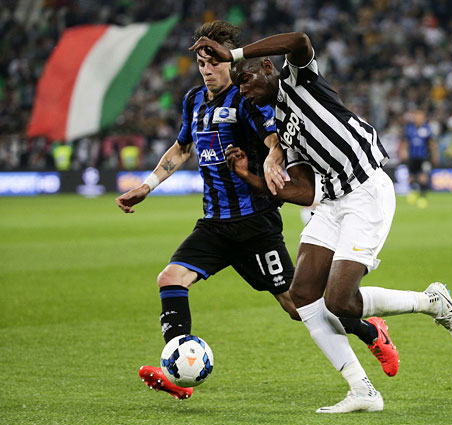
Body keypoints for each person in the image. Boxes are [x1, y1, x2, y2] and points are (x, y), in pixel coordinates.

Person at [116, 21, 398, 401]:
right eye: (201, 63)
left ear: (229, 62)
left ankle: (370, 330)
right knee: (170, 279)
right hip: (215, 224)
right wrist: (147, 186)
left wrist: (271, 158)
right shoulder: (194, 101)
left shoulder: (248, 99)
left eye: (214, 62)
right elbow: (182, 148)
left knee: (298, 306)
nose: (207, 70)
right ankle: (177, 369)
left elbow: (277, 137)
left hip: (255, 224)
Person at [191, 31, 452, 413]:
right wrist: (250, 176)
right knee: (303, 293)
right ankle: (362, 390)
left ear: (268, 67)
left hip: (366, 191)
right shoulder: (283, 127)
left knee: (339, 301)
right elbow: (305, 191)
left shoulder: (298, 80)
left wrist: (233, 54)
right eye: (238, 86)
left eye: (246, 80)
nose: (244, 91)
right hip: (332, 201)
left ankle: (431, 302)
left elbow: (298, 40)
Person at [401, 110, 438, 208]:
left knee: (423, 176)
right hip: (412, 156)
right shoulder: (409, 128)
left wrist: (434, 154)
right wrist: (403, 151)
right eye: (416, 116)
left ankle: (422, 197)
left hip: (423, 157)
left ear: (423, 118)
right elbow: (405, 141)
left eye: (420, 116)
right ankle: (413, 193)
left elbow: (431, 143)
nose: (418, 118)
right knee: (411, 177)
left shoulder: (427, 128)